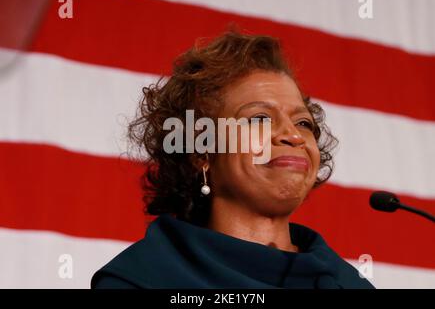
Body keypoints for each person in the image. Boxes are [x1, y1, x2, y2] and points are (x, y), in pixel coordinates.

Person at [91, 30, 375, 289]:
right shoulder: (139, 281)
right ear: (201, 151)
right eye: (260, 119)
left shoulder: (350, 285)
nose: (293, 136)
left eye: (303, 123)